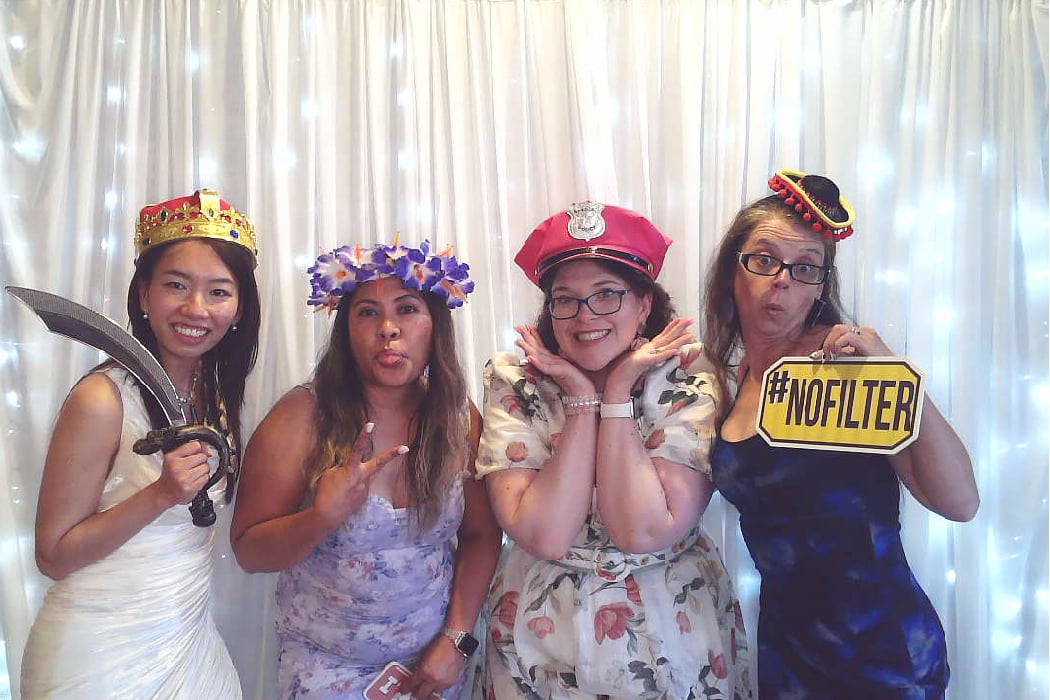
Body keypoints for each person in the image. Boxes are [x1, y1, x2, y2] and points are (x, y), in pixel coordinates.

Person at [703, 169, 980, 698]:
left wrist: (895, 374)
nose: (782, 280)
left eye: (805, 268)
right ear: (731, 271)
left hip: (883, 656)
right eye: (764, 260)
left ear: (820, 288)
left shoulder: (842, 370)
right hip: (787, 652)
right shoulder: (729, 378)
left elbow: (960, 502)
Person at [477, 201, 752, 699]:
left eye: (607, 295)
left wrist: (619, 391)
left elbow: (643, 530)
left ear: (644, 304)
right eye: (566, 299)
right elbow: (544, 534)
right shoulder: (516, 379)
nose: (585, 316)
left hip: (668, 623)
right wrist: (582, 401)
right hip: (541, 632)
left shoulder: (688, 375)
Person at [231, 239, 502, 699]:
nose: (388, 329)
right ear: (347, 330)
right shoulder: (301, 416)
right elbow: (249, 553)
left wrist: (456, 639)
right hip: (324, 670)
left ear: (436, 325)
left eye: (407, 309)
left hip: (431, 670)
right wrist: (320, 517)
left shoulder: (458, 418)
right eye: (368, 313)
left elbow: (481, 536)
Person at [19, 189, 261, 698]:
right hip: (99, 657)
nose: (196, 308)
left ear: (240, 307)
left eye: (219, 291)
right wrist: (160, 495)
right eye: (177, 285)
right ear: (145, 294)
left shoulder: (214, 393)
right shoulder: (100, 400)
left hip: (189, 642)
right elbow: (53, 556)